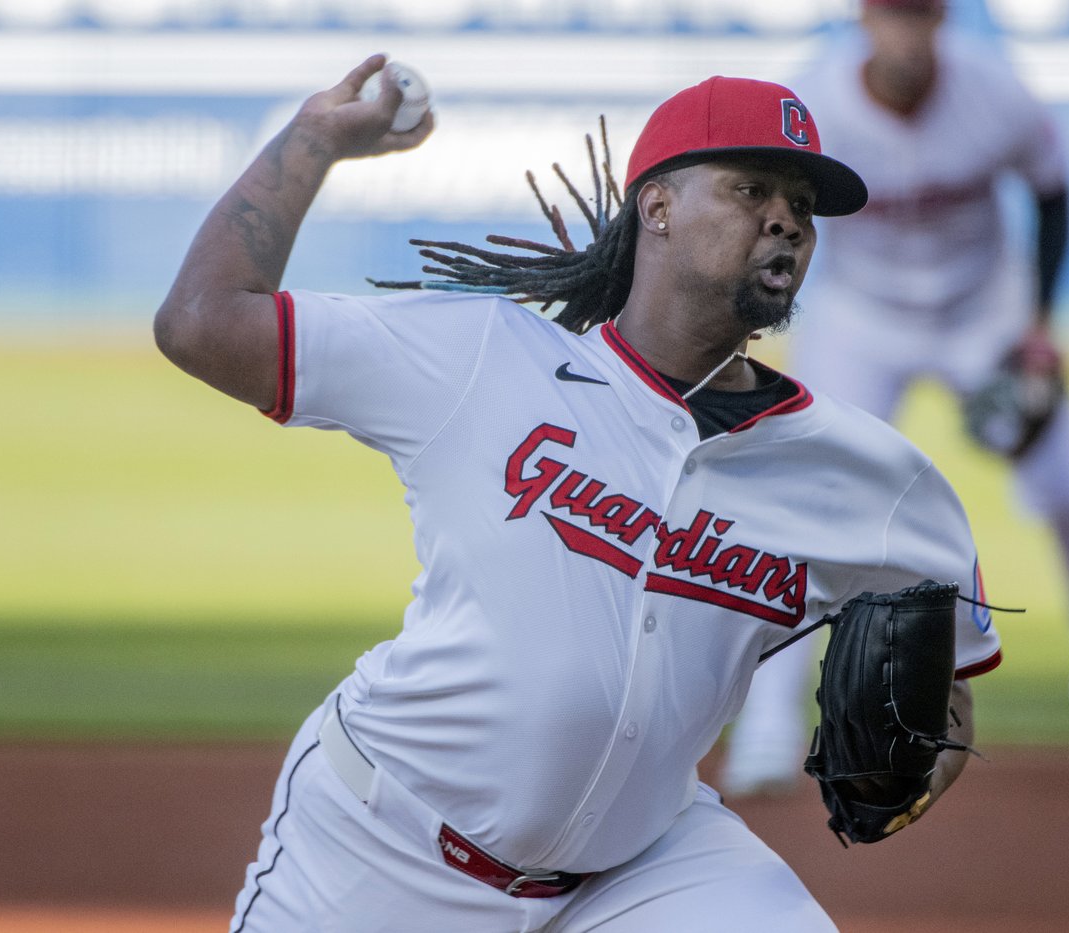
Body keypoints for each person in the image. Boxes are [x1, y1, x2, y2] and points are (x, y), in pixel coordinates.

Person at [155, 57, 1003, 932]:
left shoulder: (871, 479)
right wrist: (316, 140)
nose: (786, 219)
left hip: (641, 867)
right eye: (753, 189)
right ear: (658, 207)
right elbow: (202, 324)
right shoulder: (481, 357)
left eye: (802, 205)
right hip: (382, 845)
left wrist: (914, 769)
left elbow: (954, 681)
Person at [722, 0, 1069, 797]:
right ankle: (768, 717)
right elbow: (768, 218)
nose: (907, 30)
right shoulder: (819, 105)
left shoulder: (994, 91)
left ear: (943, 20)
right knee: (802, 504)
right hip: (862, 319)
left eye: (922, 13)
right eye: (893, 13)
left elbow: (1054, 192)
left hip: (984, 317)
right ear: (864, 18)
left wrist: (1038, 329)